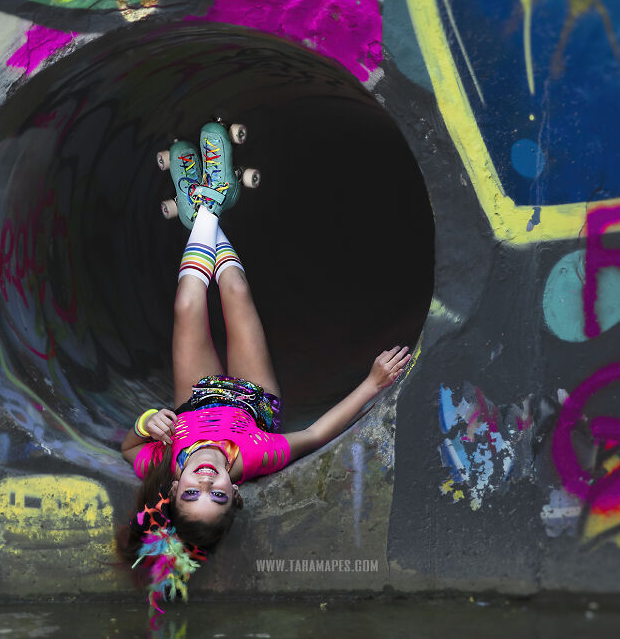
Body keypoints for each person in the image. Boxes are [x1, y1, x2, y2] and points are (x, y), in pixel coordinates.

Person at [116, 136, 410, 615]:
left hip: (196, 395)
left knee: (188, 304)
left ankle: (207, 205)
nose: (206, 481)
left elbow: (129, 448)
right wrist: (372, 384)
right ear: (235, 494)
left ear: (172, 491)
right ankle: (210, 201)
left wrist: (145, 423)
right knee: (234, 289)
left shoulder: (162, 465)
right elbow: (315, 434)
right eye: (217, 495)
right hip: (254, 397)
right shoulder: (256, 458)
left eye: (192, 493)